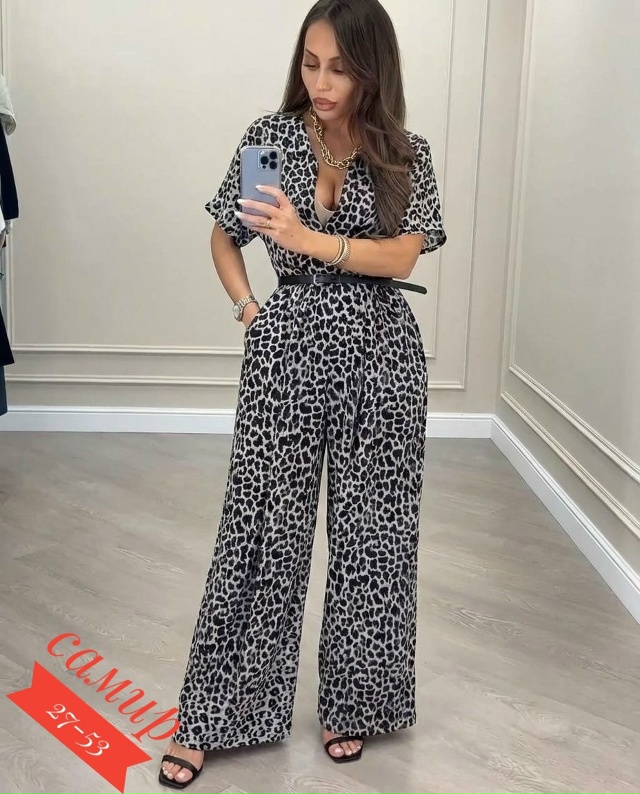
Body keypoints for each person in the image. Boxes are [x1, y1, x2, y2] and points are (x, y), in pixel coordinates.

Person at [159, 0, 446, 787]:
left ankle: (356, 704)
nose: (321, 81)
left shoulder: (404, 154)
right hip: (285, 353)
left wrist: (307, 239)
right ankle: (218, 713)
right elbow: (225, 233)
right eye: (310, 63)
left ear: (372, 70)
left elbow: (403, 257)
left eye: (340, 68)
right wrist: (248, 309)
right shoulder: (269, 140)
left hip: (382, 355)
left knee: (374, 535)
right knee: (257, 529)